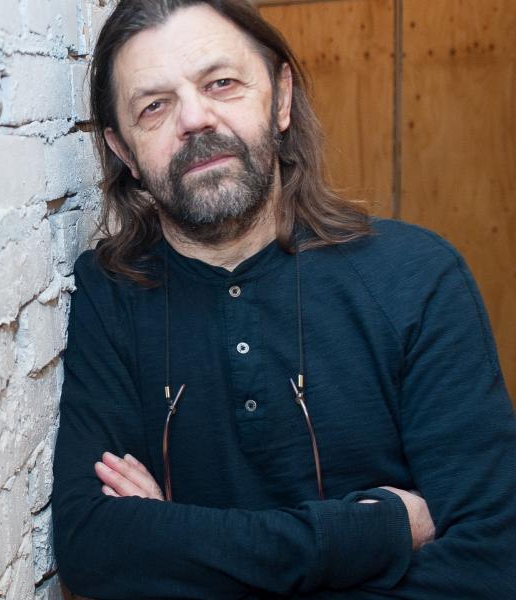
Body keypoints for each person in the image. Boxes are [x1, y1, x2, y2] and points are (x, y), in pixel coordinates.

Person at [51, 1, 516, 598]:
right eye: (154, 106)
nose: (194, 119)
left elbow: (491, 564)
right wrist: (374, 532)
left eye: (222, 83)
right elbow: (95, 546)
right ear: (124, 152)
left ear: (281, 99)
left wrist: (180, 546)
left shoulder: (418, 277)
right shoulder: (109, 295)